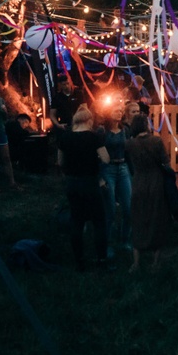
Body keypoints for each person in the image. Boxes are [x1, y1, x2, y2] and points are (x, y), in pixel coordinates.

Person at [57, 105, 110, 271]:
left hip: (72, 183)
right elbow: (106, 159)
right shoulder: (94, 137)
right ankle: (101, 260)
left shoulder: (65, 138)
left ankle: (79, 261)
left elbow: (60, 162)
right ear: (89, 120)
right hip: (91, 183)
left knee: (77, 222)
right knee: (99, 222)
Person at [125, 113, 171, 272]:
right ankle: (155, 263)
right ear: (146, 125)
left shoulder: (129, 144)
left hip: (138, 182)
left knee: (138, 218)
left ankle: (136, 263)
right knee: (157, 218)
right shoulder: (157, 141)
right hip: (155, 182)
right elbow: (166, 161)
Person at [98, 98, 132, 255]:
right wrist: (100, 177)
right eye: (115, 110)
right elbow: (96, 154)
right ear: (108, 112)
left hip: (123, 168)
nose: (119, 112)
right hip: (108, 168)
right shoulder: (102, 132)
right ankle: (108, 244)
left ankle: (125, 240)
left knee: (128, 207)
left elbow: (130, 151)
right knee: (110, 209)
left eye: (120, 110)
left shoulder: (125, 130)